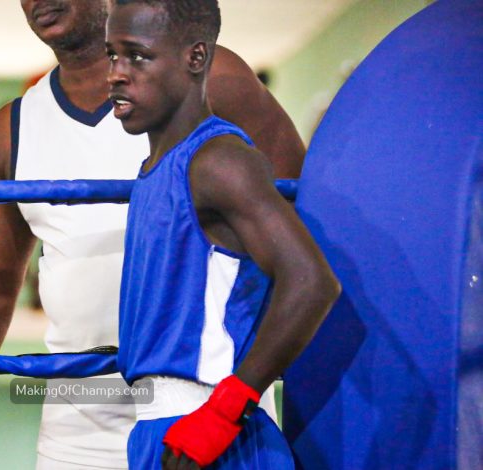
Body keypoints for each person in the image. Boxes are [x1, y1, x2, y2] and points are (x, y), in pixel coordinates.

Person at [0, 1, 306, 469]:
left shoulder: (209, 74)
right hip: (77, 425)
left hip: (203, 406)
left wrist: (244, 388)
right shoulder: (12, 130)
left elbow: (303, 215)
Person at [104, 1, 340, 468]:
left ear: (195, 58)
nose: (116, 73)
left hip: (215, 436)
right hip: (163, 431)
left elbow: (312, 282)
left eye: (137, 56)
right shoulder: (155, 171)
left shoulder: (218, 160)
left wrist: (222, 414)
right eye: (112, 55)